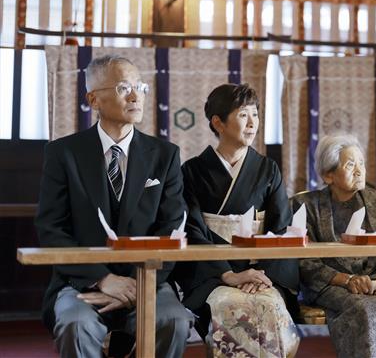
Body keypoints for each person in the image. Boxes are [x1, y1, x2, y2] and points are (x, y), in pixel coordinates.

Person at [35, 54, 192, 358]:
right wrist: (104, 279)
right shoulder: (63, 153)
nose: (136, 96)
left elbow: (173, 228)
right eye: (123, 88)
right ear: (93, 99)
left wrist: (136, 285)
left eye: (140, 87)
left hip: (148, 280)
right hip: (81, 281)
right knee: (75, 323)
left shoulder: (165, 155)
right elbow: (51, 229)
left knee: (175, 320)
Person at [177, 83, 300, 357]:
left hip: (261, 274)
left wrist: (260, 275)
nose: (252, 122)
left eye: (255, 114)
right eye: (243, 114)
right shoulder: (193, 172)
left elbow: (280, 228)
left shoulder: (268, 169)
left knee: (271, 309)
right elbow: (193, 231)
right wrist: (229, 275)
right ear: (218, 122)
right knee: (231, 307)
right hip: (213, 275)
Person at [292, 134, 376, 358]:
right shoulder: (306, 206)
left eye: (361, 163)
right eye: (350, 165)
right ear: (329, 175)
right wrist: (346, 280)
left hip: (372, 281)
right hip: (329, 285)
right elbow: (304, 260)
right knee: (362, 309)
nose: (359, 170)